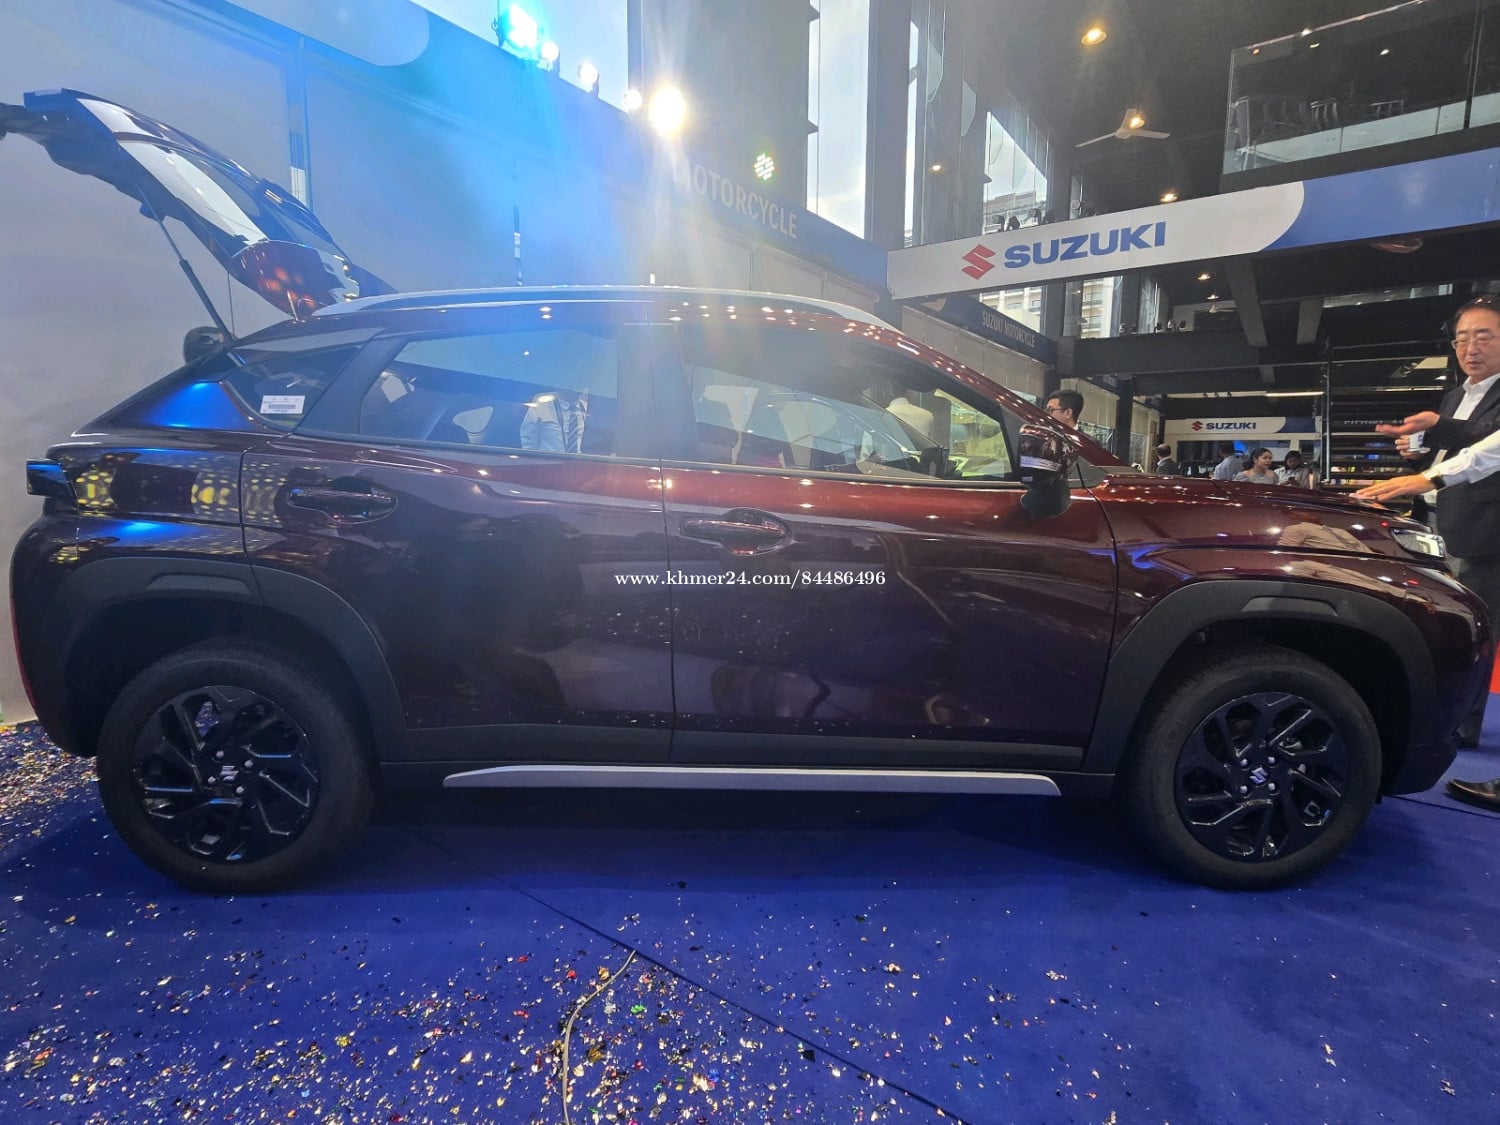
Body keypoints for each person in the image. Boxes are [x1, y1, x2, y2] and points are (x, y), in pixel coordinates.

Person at [1361, 294, 1500, 753]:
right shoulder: (1457, 395)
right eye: (1462, 339)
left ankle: (1463, 724)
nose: (1470, 348)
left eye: (1483, 336)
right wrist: (1419, 452)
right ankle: (1442, 713)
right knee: (1445, 625)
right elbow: (1451, 453)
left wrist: (1433, 449)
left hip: (1484, 532)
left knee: (1476, 633)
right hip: (1439, 523)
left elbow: (1485, 444)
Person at [520, 389, 588, 453]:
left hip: (581, 461)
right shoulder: (542, 404)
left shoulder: (588, 408)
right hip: (547, 461)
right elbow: (528, 442)